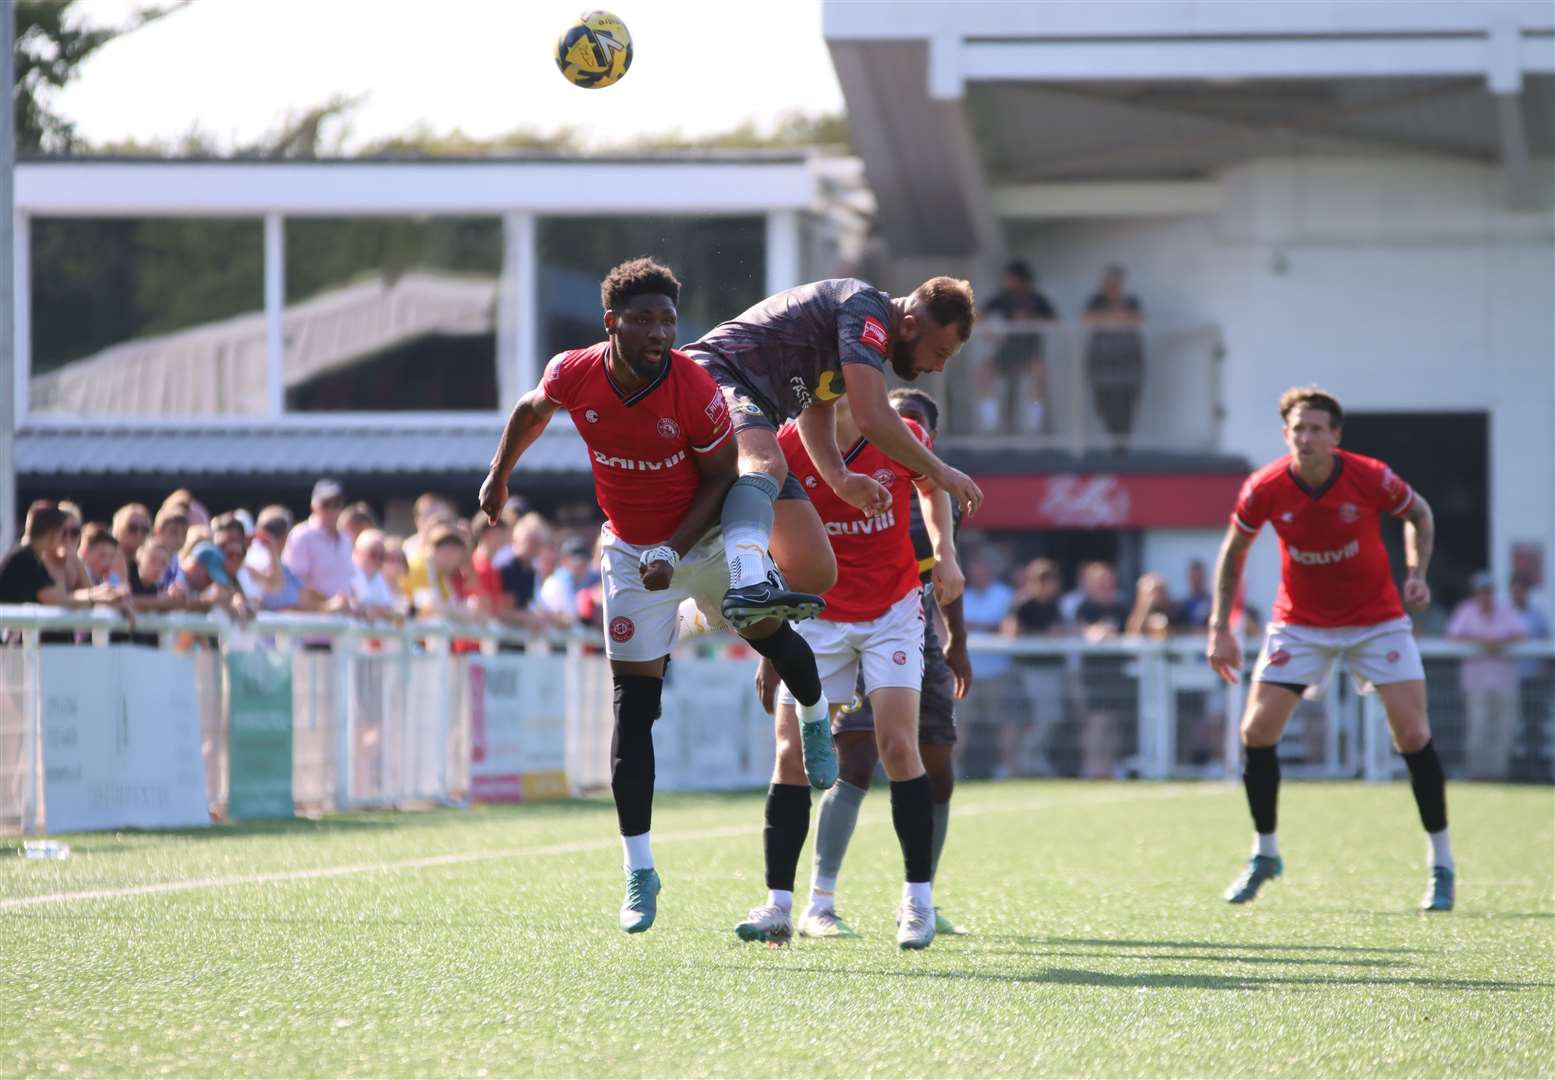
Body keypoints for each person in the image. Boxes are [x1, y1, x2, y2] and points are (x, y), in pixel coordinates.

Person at [477, 258, 831, 936]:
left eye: (668, 320)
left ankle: (814, 719)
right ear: (611, 323)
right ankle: (639, 871)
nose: (659, 332)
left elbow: (722, 476)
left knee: (776, 643)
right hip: (629, 554)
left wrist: (672, 549)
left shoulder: (693, 388)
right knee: (633, 712)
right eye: (643, 319)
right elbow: (531, 408)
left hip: (700, 544)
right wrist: (498, 475)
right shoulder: (575, 371)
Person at [1206, 386, 1454, 911]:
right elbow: (1233, 553)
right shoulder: (1265, 486)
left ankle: (1441, 863)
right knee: (1255, 730)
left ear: (1336, 436)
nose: (1307, 437)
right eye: (1299, 429)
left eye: (1317, 429)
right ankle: (1265, 853)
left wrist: (1416, 574)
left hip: (1377, 621)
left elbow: (1421, 514)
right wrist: (1220, 627)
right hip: (1299, 624)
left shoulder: (1370, 476)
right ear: (1286, 435)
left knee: (1412, 735)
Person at [735, 389, 958, 951]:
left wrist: (946, 552)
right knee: (790, 753)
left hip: (892, 611)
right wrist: (770, 644)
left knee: (899, 746)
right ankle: (779, 907)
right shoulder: (784, 445)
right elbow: (767, 536)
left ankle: (918, 903)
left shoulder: (896, 432)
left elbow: (932, 490)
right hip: (817, 613)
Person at [683, 274, 984, 634]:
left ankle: (693, 618)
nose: (938, 368)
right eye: (939, 353)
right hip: (712, 374)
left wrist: (839, 478)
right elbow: (872, 416)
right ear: (908, 326)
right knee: (767, 464)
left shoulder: (858, 343)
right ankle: (747, 582)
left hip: (753, 411)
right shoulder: (865, 309)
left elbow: (816, 405)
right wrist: (941, 472)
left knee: (814, 571)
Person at [0, 507, 133, 638]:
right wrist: (97, 596)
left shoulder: (31, 557)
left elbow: (61, 597)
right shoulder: (24, 558)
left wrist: (103, 596)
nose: (67, 539)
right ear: (54, 533)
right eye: (63, 533)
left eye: (74, 532)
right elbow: (53, 599)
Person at [1447, 571, 1527, 780]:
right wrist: (1482, 642)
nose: (1485, 596)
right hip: (1477, 684)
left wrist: (1499, 643)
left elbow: (1521, 635)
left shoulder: (1507, 612)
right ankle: (1477, 775)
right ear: (1475, 593)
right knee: (1478, 728)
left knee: (1504, 730)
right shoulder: (1466, 611)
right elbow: (1454, 636)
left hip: (1505, 683)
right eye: (1481, 592)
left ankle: (1499, 775)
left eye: (1488, 591)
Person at [1002, 558, 1066, 777]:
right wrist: (1044, 636)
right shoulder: (1023, 604)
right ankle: (1023, 758)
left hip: (1052, 669)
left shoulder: (1054, 605)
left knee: (1049, 717)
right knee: (1032, 718)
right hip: (1028, 671)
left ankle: (1032, 757)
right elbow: (1012, 634)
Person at [977, 259, 1058, 434]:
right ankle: (990, 417)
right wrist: (989, 330)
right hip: (1007, 352)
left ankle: (1035, 418)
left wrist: (1030, 321)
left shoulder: (1036, 299)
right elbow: (979, 315)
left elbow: (1054, 320)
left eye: (1009, 277)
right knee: (984, 371)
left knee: (1039, 374)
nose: (1006, 281)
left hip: (1030, 353)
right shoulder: (1003, 296)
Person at [1082, 265, 1145, 450]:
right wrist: (1113, 317)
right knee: (1103, 405)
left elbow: (1138, 319)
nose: (1111, 286)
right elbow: (1087, 318)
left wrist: (1115, 318)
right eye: (1108, 282)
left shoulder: (1131, 301)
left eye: (1115, 282)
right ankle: (1112, 439)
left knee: (1126, 406)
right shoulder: (1096, 301)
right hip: (1101, 364)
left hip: (1128, 364)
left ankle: (1122, 447)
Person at [283, 480, 356, 613]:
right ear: (314, 506)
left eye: (337, 504)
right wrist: (328, 604)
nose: (332, 509)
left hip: (340, 625)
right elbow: (295, 586)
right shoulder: (302, 536)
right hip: (309, 626)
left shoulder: (346, 540)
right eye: (326, 504)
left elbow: (349, 582)